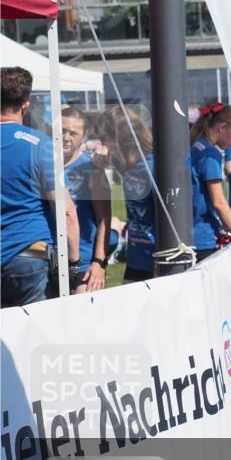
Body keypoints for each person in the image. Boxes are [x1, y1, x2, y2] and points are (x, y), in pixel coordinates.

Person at [1, 67, 80, 307]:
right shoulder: (39, 145)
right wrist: (75, 262)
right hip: (31, 256)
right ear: (25, 105)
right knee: (40, 338)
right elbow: (65, 212)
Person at [93, 106, 155, 282]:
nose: (102, 143)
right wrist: (98, 166)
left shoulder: (153, 166)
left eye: (104, 137)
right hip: (136, 256)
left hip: (156, 256)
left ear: (122, 136)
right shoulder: (125, 163)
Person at [62, 107, 111, 293]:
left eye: (73, 133)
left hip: (83, 262)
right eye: (62, 131)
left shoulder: (92, 170)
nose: (66, 137)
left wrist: (99, 263)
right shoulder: (44, 165)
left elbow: (104, 221)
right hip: (49, 261)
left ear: (83, 136)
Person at [189, 103, 231, 262]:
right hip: (204, 236)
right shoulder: (210, 154)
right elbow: (219, 202)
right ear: (222, 128)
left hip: (191, 231)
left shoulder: (196, 146)